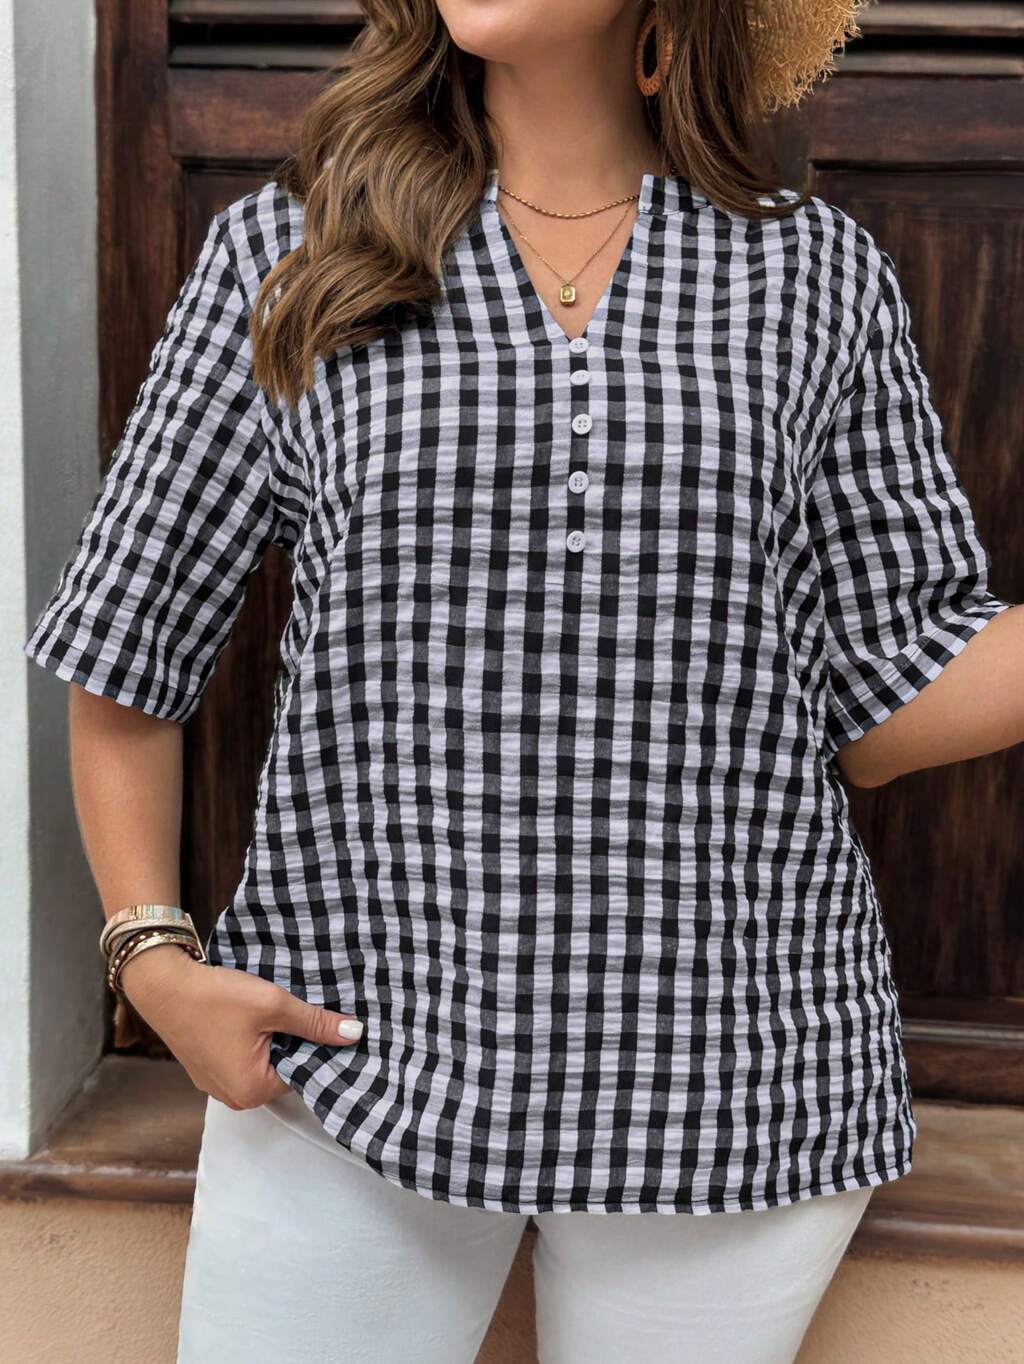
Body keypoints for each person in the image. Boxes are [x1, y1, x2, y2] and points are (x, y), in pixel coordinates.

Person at [22, 2, 1023, 1361]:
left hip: (732, 1068)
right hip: (345, 1057)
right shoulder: (293, 252)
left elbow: (886, 694)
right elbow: (127, 643)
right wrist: (152, 961)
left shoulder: (815, 277)